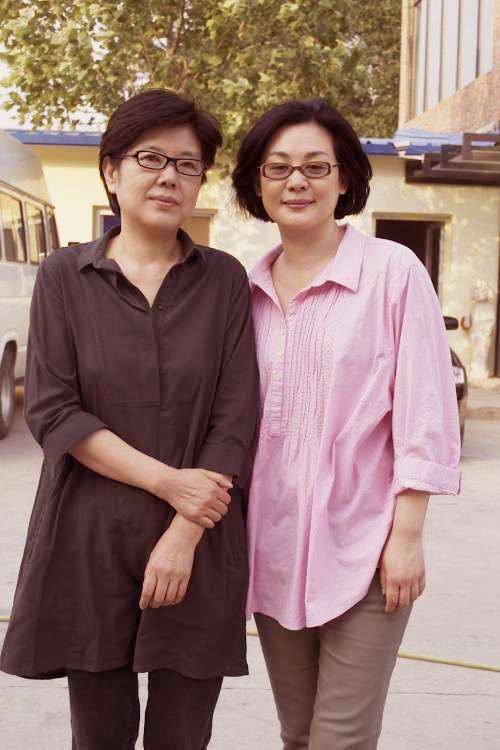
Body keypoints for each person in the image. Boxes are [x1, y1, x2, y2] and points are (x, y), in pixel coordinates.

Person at [1, 88, 259, 750]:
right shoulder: (64, 276)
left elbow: (235, 417)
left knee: (182, 736)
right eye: (150, 158)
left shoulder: (225, 280)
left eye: (187, 164)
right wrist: (171, 484)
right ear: (111, 172)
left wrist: (184, 531)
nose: (169, 176)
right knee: (100, 734)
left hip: (200, 540)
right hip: (88, 536)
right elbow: (55, 411)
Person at [232, 98, 461, 750]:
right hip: (273, 548)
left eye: (315, 166)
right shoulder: (242, 290)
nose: (296, 181)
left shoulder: (392, 272)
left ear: (343, 180)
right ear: (257, 182)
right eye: (278, 167)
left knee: (341, 739)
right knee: (298, 733)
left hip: (366, 548)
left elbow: (425, 409)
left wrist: (407, 537)